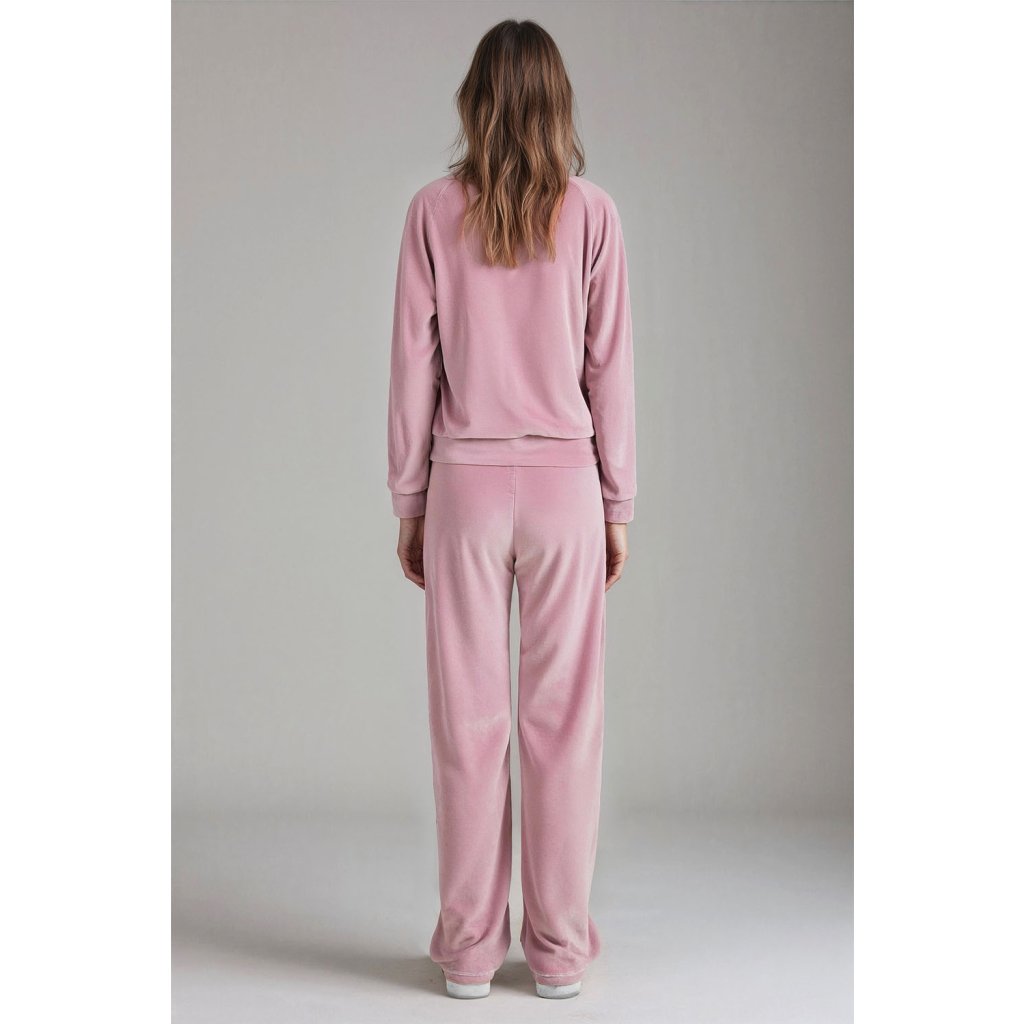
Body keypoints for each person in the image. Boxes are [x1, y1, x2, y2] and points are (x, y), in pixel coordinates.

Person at [386, 18, 636, 1002]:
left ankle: (468, 954)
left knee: (469, 723)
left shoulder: (430, 212)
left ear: (474, 100)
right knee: (564, 725)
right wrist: (616, 501)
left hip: (465, 489)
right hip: (566, 487)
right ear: (557, 103)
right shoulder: (594, 214)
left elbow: (413, 366)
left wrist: (410, 497)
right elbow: (609, 366)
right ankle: (560, 952)